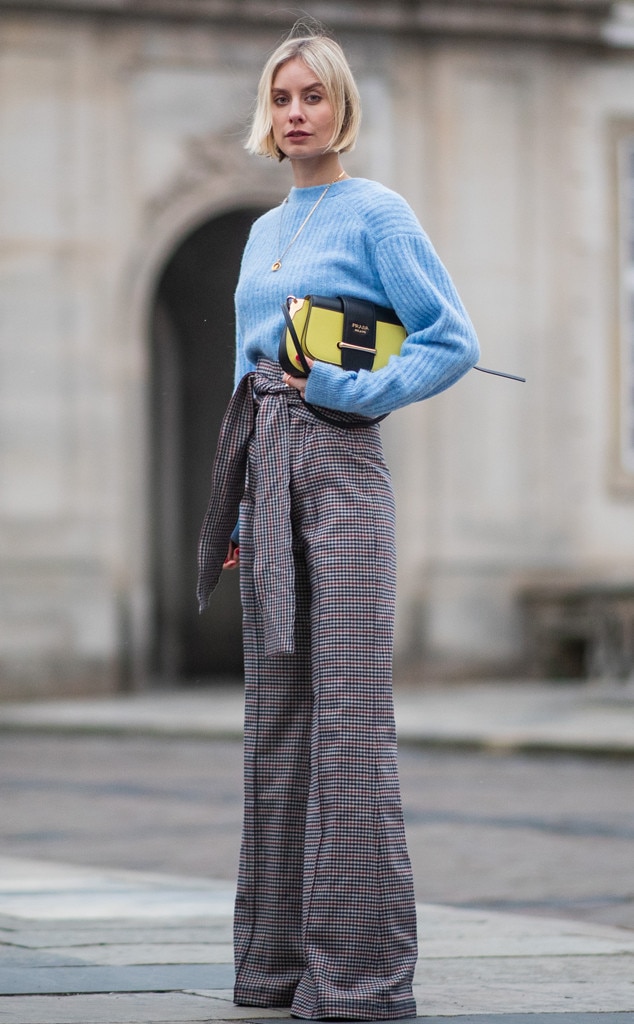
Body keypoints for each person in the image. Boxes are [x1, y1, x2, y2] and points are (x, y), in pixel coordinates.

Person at [198, 27, 480, 1022]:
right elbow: (245, 372)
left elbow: (452, 338)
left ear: (341, 106)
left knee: (348, 722)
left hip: (343, 467)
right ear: (267, 115)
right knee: (276, 719)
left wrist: (361, 387)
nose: (295, 113)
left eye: (312, 95)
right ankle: (276, 967)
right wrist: (235, 506)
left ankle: (356, 979)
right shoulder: (262, 229)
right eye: (281, 98)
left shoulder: (377, 213)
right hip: (265, 468)